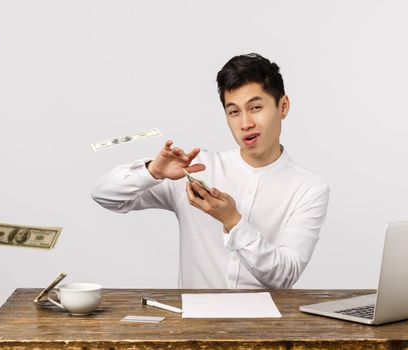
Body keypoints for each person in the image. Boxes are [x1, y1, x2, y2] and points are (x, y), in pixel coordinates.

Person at [91, 53, 330, 289]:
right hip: (194, 323)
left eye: (255, 107)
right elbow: (104, 195)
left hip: (263, 325)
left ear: (283, 106)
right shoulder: (196, 169)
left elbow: (284, 276)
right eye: (234, 111)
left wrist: (233, 221)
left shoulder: (309, 189)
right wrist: (152, 172)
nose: (245, 123)